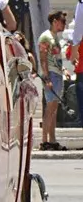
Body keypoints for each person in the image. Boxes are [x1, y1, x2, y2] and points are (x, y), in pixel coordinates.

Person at [38, 10, 71, 152]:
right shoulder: (45, 37)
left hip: (57, 74)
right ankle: (44, 140)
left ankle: (52, 139)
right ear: (54, 21)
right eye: (62, 21)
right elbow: (43, 59)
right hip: (51, 74)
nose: (64, 24)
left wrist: (64, 70)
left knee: (54, 109)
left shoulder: (55, 38)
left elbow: (56, 59)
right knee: (49, 108)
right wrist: (46, 77)